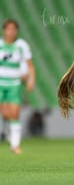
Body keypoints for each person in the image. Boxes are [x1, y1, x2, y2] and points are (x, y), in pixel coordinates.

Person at [0, 19, 35, 154]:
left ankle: (15, 145)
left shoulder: (21, 45)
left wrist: (31, 79)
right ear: (4, 30)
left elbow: (29, 65)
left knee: (14, 113)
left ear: (17, 31)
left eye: (14, 29)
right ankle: (8, 131)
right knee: (5, 113)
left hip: (14, 83)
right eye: (8, 29)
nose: (11, 32)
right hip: (0, 83)